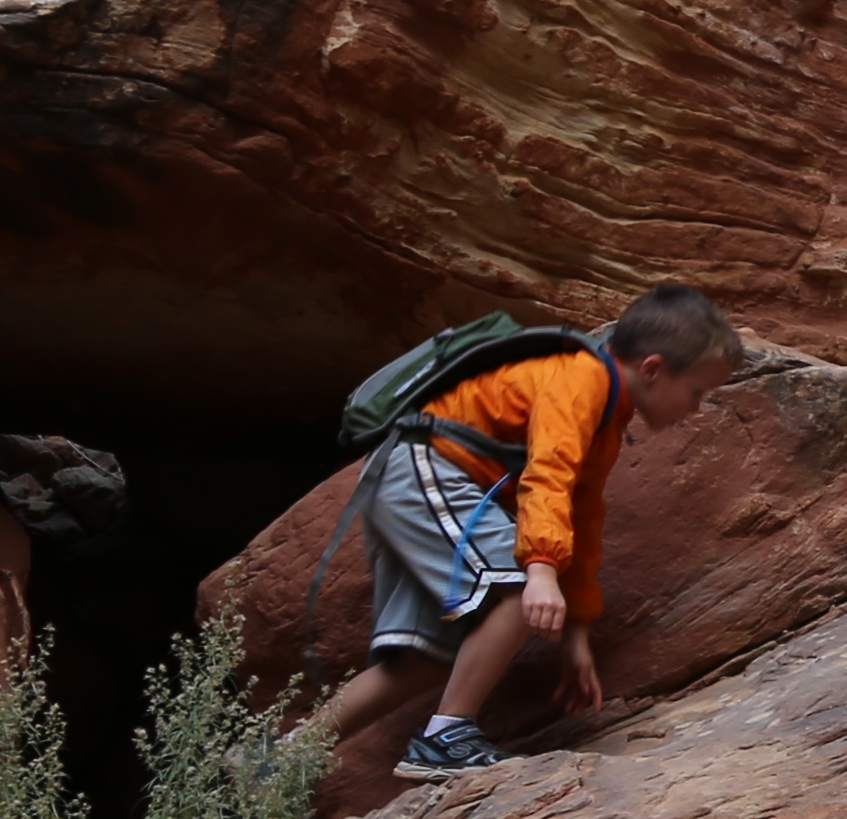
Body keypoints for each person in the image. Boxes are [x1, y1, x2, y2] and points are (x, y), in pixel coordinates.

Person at [307, 284, 742, 784]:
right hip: (428, 470)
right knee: (513, 585)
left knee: (424, 658)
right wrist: (538, 572)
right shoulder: (581, 379)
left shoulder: (607, 412)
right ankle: (445, 738)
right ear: (652, 369)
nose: (697, 409)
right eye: (697, 393)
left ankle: (272, 766)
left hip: (428, 485)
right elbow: (547, 476)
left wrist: (575, 631)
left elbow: (581, 512)